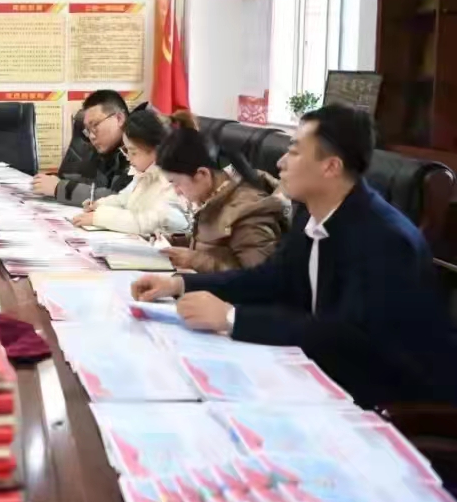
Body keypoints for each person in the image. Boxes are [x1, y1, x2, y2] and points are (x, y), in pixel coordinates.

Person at [131, 105, 457, 407]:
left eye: (295, 151)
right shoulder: (313, 215)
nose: (281, 163)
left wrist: (232, 318)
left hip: (390, 405)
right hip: (320, 374)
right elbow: (270, 278)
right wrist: (181, 285)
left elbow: (345, 336)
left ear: (330, 166)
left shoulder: (384, 239)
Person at [155, 118, 287, 272]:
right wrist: (173, 242)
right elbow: (214, 244)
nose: (176, 191)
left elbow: (259, 278)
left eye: (176, 183)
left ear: (202, 174)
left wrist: (194, 260)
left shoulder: (249, 211)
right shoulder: (216, 195)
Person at [70, 108, 189, 236]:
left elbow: (149, 222)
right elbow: (123, 199)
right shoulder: (143, 174)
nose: (128, 158)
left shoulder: (172, 181)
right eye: (126, 150)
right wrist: (99, 205)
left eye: (133, 152)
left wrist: (99, 217)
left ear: (158, 151)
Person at [33, 90, 132, 206]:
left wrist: (59, 188)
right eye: (88, 130)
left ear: (119, 118)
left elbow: (120, 199)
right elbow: (93, 183)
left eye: (95, 125)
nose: (91, 136)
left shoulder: (140, 147)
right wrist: (55, 181)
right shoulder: (108, 151)